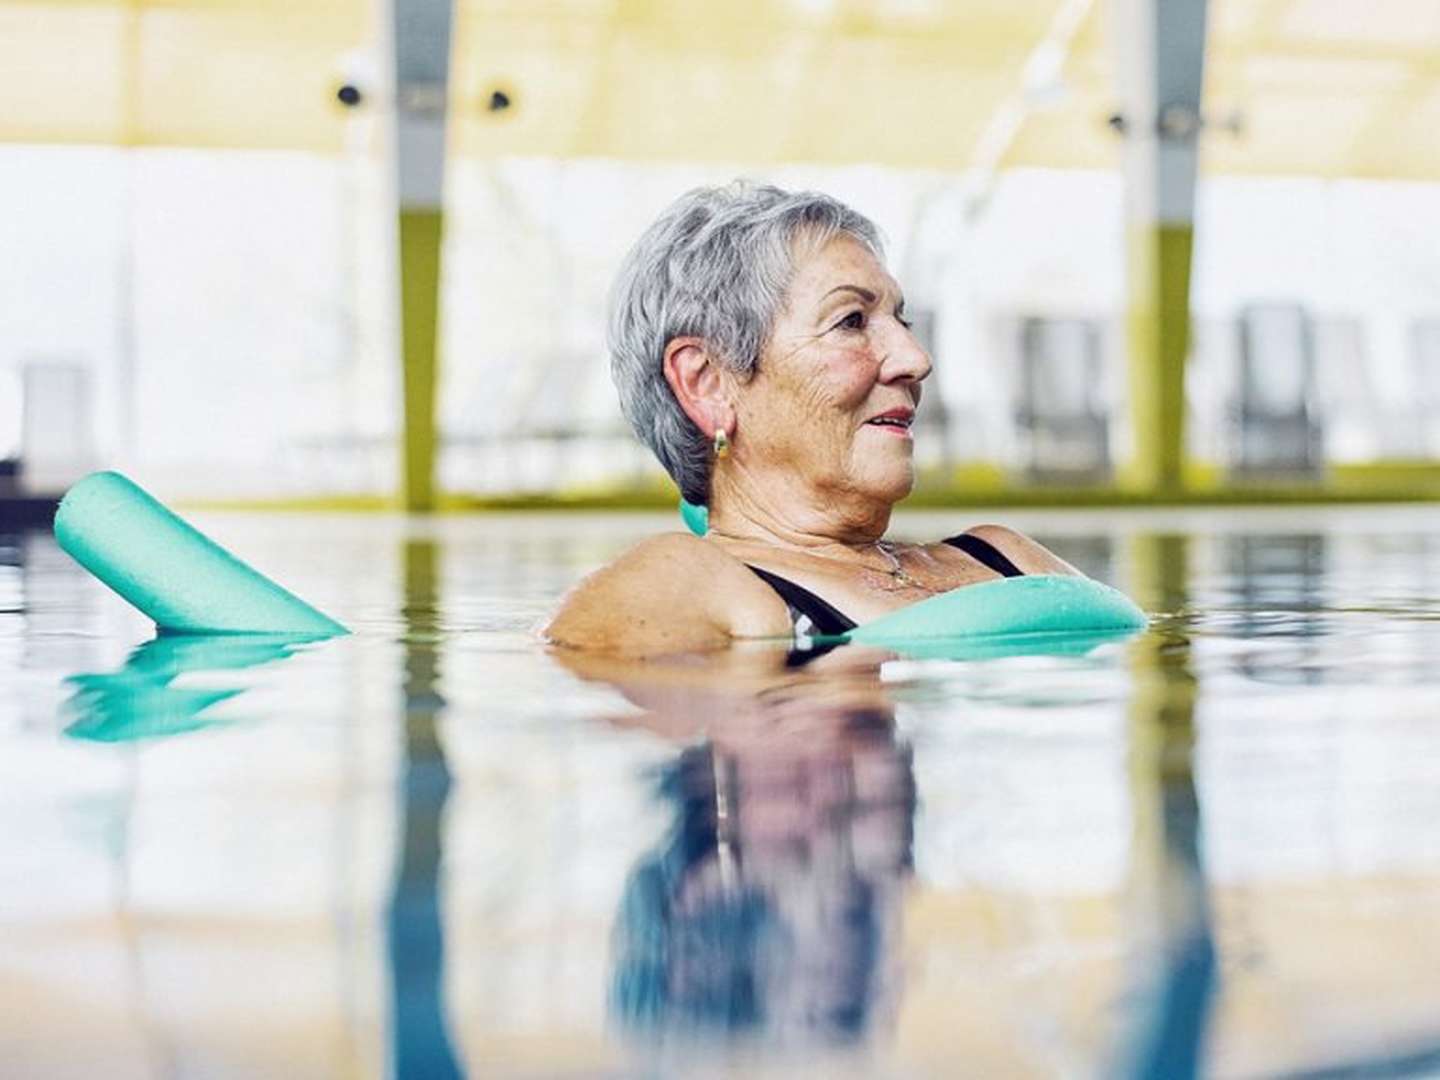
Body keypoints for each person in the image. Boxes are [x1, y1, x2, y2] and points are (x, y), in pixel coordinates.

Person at [546, 182, 1079, 656]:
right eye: (851, 321)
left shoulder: (1003, 555)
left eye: (901, 319)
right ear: (708, 384)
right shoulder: (686, 586)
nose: (916, 358)